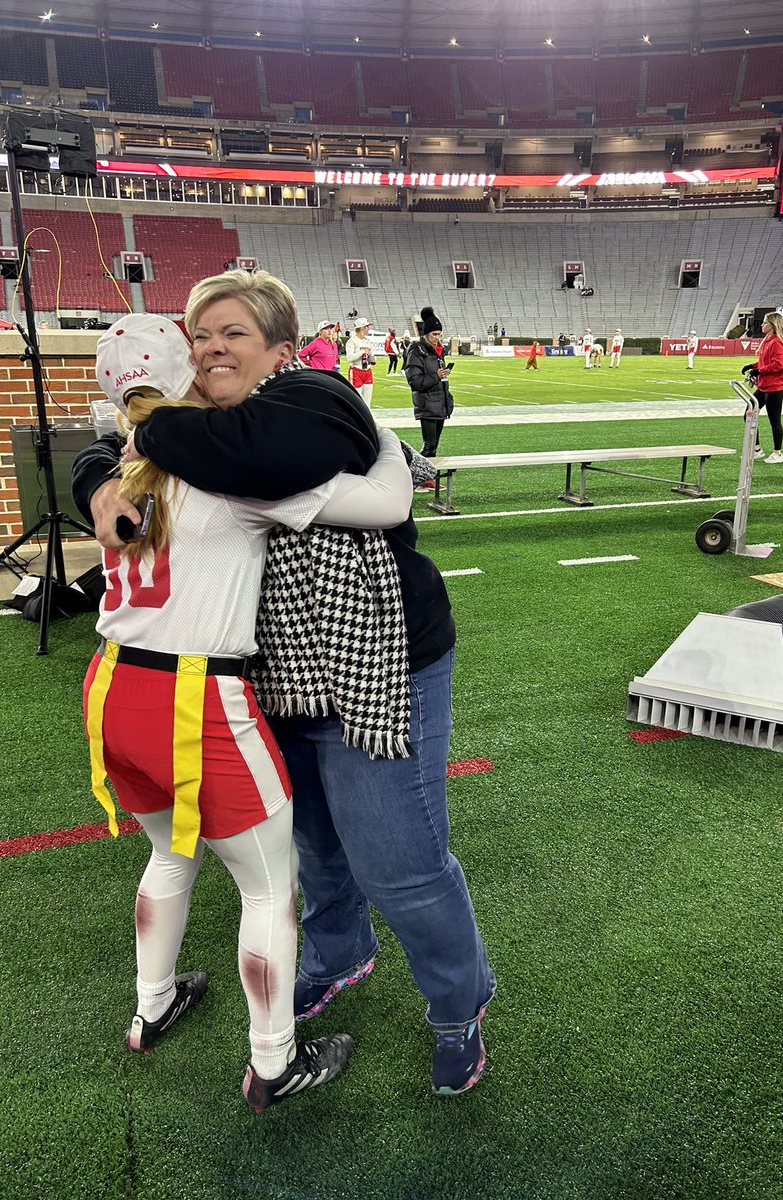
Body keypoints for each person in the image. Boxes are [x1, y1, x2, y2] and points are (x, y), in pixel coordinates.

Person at [73, 269, 495, 1097]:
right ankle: (341, 954)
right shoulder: (197, 434)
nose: (212, 346)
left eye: (233, 331)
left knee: (399, 863)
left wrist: (144, 432)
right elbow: (104, 444)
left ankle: (458, 1008)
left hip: (369, 662)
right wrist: (100, 476)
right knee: (315, 851)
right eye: (200, 335)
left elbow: (269, 461)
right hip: (263, 677)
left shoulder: (317, 398)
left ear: (281, 347)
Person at [405, 306, 454, 459]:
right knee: (428, 448)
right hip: (427, 404)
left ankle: (429, 481)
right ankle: (415, 476)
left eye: (439, 334)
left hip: (440, 403)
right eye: (434, 334)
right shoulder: (416, 351)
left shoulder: (438, 351)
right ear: (426, 334)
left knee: (433, 449)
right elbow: (415, 382)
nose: (437, 337)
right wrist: (436, 375)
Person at [741, 311, 783, 464]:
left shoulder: (776, 342)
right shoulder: (768, 341)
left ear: (772, 325)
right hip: (764, 386)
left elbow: (778, 365)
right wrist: (752, 366)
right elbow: (764, 362)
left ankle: (778, 453)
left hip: (775, 387)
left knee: (774, 420)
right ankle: (756, 449)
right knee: (748, 413)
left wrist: (759, 370)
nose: (762, 325)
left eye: (765, 322)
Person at [345, 316, 376, 405]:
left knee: (367, 402)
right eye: (367, 326)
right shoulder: (352, 341)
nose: (368, 328)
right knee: (356, 401)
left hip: (367, 371)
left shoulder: (368, 341)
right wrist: (362, 352)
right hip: (356, 371)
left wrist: (373, 360)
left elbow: (371, 356)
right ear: (362, 328)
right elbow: (349, 358)